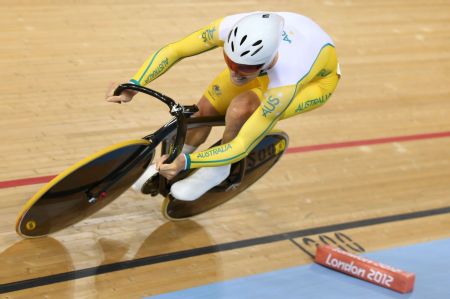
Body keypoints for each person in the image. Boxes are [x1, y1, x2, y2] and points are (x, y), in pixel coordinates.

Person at [105, 12, 340, 201]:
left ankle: (220, 169)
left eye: (244, 68)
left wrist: (188, 164)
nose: (235, 74)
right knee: (204, 110)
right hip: (270, 63)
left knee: (241, 109)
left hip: (316, 83)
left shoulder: (287, 81)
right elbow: (176, 50)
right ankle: (175, 158)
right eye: (230, 62)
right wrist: (135, 83)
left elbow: (241, 145)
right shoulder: (228, 27)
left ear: (266, 60)